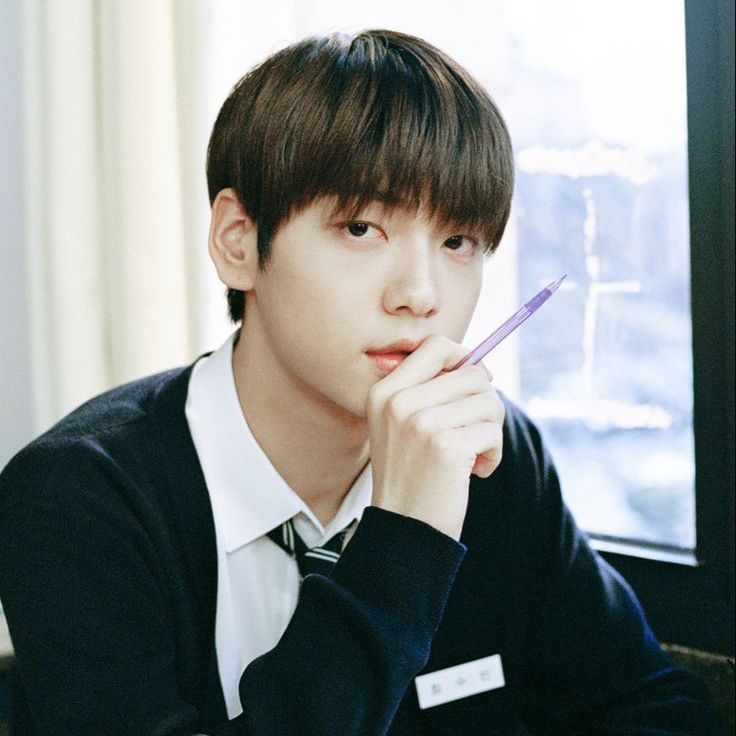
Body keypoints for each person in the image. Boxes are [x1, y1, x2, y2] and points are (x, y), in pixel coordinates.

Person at [0, 29, 722, 736]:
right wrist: (406, 539)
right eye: (361, 229)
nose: (421, 294)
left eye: (457, 241)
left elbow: (652, 707)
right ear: (238, 242)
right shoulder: (76, 496)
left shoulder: (489, 454)